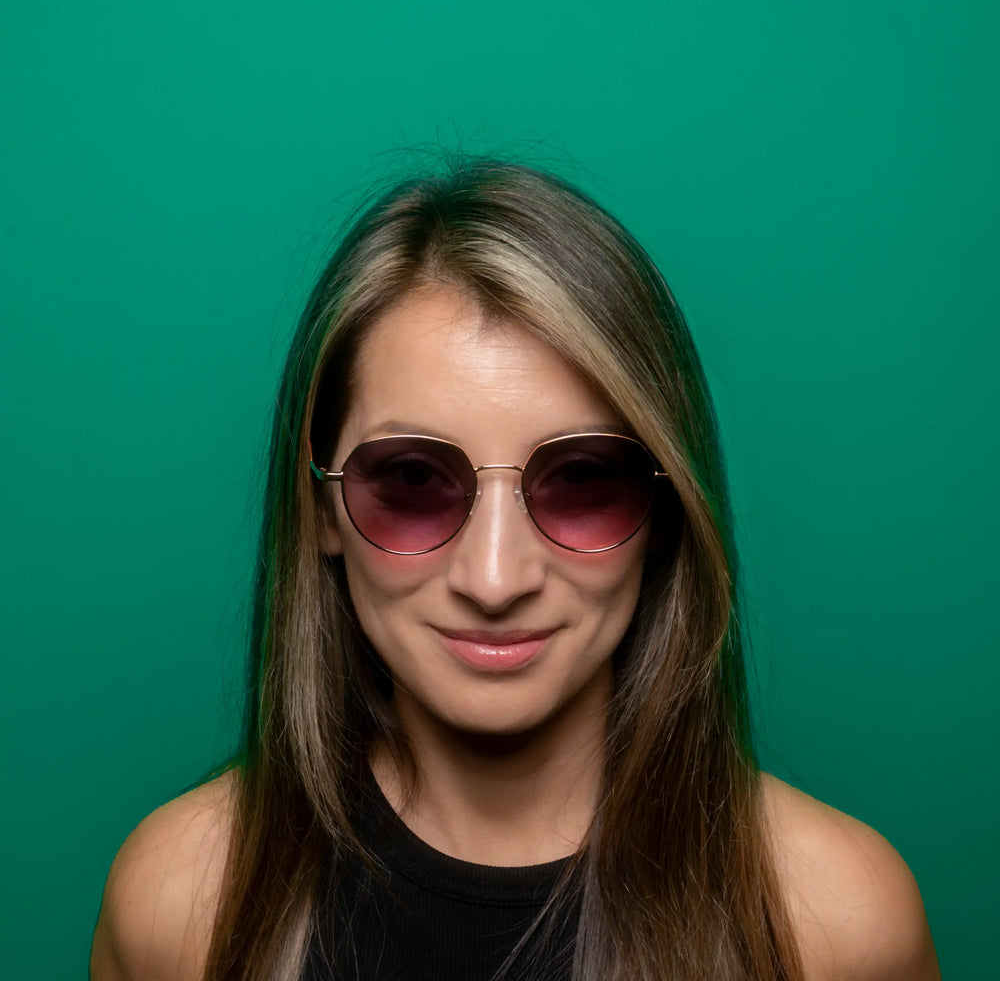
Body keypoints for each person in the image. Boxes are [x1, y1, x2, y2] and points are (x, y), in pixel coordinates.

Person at [90, 157, 940, 981]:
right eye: (413, 481)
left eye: (583, 480)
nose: (495, 580)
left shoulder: (835, 921)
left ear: (667, 508)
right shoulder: (180, 902)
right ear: (321, 511)